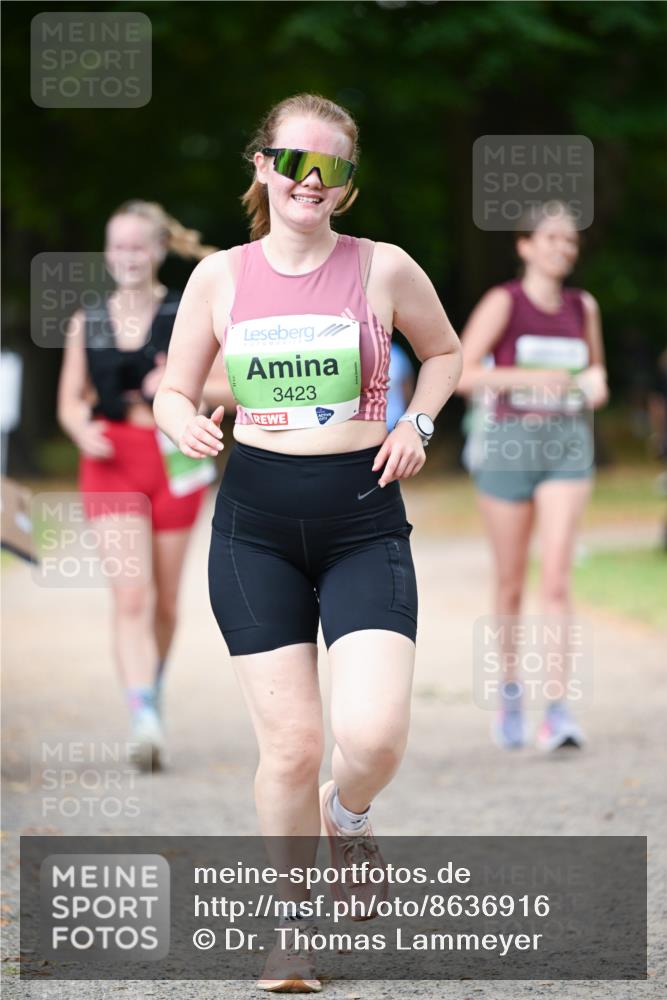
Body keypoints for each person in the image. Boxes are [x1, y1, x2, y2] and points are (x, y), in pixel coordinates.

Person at [153, 93, 462, 992]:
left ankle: (351, 816)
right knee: (289, 744)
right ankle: (289, 929)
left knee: (371, 738)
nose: (311, 182)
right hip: (254, 527)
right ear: (262, 166)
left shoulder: (384, 268)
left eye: (332, 169)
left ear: (348, 186)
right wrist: (182, 424)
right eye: (294, 162)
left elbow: (442, 354)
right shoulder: (220, 277)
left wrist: (421, 423)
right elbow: (174, 391)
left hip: (363, 518)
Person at [57, 200, 227, 770]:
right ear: (108, 253)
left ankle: (151, 687)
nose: (128, 256)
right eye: (118, 246)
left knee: (166, 602)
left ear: (158, 250)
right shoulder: (89, 318)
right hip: (111, 461)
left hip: (173, 456)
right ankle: (142, 714)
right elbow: (70, 402)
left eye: (138, 245)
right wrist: (81, 429)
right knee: (133, 594)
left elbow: (227, 384)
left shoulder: (186, 313)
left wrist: (182, 383)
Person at [457, 201, 608, 752]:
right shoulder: (504, 302)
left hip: (567, 447)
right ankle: (511, 693)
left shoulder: (582, 305)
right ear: (524, 245)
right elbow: (461, 373)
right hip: (506, 448)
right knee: (512, 581)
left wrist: (592, 385)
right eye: (550, 239)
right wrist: (528, 377)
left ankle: (559, 711)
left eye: (570, 242)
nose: (562, 249)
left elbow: (596, 373)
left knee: (558, 580)